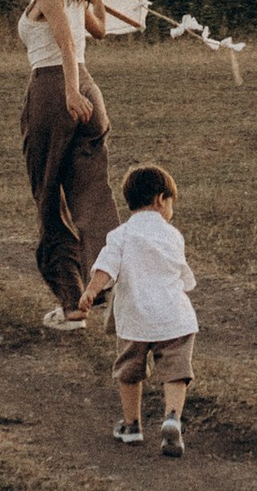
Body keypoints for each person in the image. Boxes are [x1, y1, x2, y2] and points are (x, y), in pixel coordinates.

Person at [9, 0, 117, 330]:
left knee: (48, 196)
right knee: (91, 194)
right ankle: (113, 280)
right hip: (91, 91)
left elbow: (67, 46)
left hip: (55, 90)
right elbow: (101, 31)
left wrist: (70, 94)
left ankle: (73, 303)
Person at [79, 161, 198, 456]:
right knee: (175, 370)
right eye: (171, 202)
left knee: (130, 370)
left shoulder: (120, 235)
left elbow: (106, 266)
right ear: (160, 199)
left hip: (135, 318)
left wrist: (92, 291)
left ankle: (132, 426)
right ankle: (172, 418)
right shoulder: (173, 235)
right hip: (174, 317)